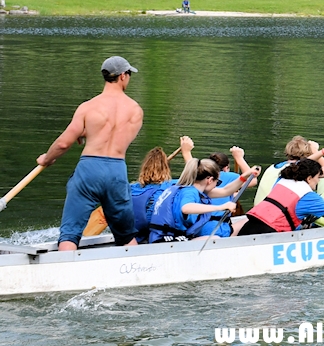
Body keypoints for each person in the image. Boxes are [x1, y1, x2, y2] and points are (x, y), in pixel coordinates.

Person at [37, 56, 143, 251]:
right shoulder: (136, 110)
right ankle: (136, 269)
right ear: (122, 76)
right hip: (117, 171)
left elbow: (62, 144)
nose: (129, 78)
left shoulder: (88, 107)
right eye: (129, 74)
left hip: (89, 170)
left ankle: (64, 270)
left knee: (70, 234)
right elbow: (118, 135)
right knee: (126, 235)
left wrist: (47, 158)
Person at [239, 159, 324, 235]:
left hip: (248, 226)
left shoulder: (283, 180)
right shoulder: (308, 196)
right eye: (318, 177)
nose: (318, 181)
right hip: (268, 234)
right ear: (309, 177)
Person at [149, 159, 260, 243]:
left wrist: (243, 177)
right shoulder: (189, 192)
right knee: (215, 239)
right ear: (210, 180)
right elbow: (186, 207)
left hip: (162, 237)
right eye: (218, 182)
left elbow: (226, 191)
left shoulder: (191, 188)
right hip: (165, 241)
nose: (217, 185)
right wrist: (220, 207)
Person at [252, 135, 324, 205]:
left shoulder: (273, 167)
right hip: (272, 215)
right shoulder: (297, 170)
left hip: (258, 209)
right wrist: (315, 151)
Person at [130, 146, 176, 243]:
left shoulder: (132, 187)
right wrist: (186, 152)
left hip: (134, 230)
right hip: (154, 230)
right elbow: (194, 179)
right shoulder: (170, 186)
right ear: (166, 168)